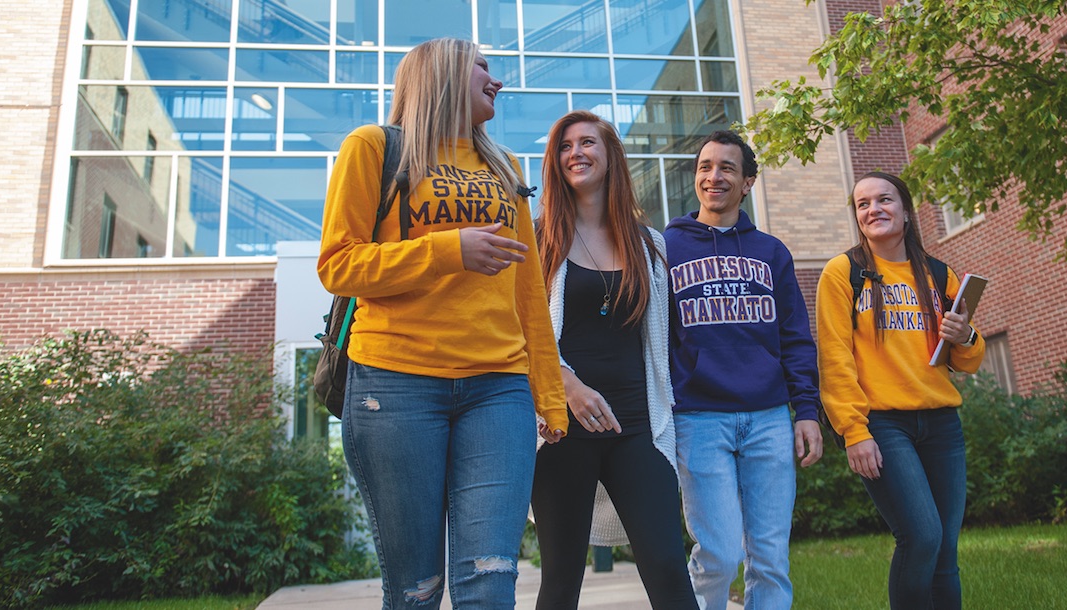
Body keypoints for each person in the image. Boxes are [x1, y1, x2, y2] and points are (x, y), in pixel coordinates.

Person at [316, 38, 568, 609]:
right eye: (483, 66)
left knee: (490, 581)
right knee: (416, 589)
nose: (496, 80)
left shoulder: (505, 165)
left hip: (498, 390)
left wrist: (549, 395)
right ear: (443, 74)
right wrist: (445, 250)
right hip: (394, 384)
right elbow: (338, 264)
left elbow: (528, 290)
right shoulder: (375, 148)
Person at [529, 110, 697, 609]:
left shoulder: (650, 244)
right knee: (561, 580)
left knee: (668, 567)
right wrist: (566, 384)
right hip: (560, 429)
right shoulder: (538, 239)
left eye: (587, 142)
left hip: (637, 427)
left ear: (611, 155)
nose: (575, 153)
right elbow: (519, 330)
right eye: (564, 146)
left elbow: (665, 341)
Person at [665, 130, 824, 610]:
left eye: (727, 168)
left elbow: (796, 339)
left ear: (748, 181)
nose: (714, 177)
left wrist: (808, 411)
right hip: (698, 417)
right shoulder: (665, 247)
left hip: (769, 418)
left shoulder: (772, 252)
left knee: (771, 557)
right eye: (705, 167)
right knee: (717, 553)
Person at [817, 171, 985, 610]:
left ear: (906, 210)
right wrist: (854, 431)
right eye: (863, 204)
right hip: (884, 424)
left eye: (885, 199)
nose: (874, 209)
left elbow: (967, 359)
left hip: (942, 423)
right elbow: (834, 360)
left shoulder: (938, 275)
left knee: (944, 550)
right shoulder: (844, 273)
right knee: (921, 535)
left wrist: (965, 335)